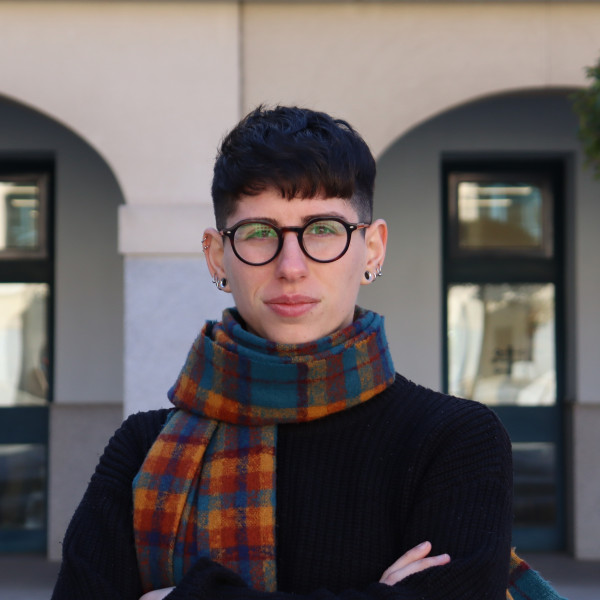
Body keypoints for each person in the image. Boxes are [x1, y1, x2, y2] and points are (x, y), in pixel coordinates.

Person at [52, 105, 515, 600]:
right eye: (258, 233)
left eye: (323, 229)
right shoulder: (143, 450)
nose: (291, 266)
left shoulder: (453, 441)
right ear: (217, 256)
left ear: (373, 249)